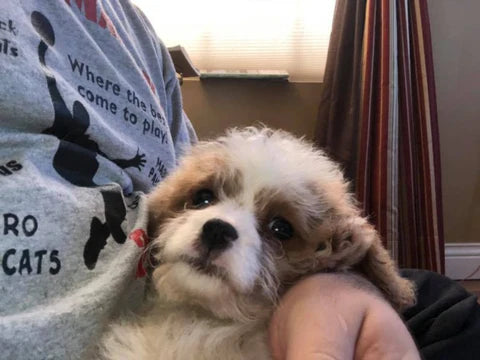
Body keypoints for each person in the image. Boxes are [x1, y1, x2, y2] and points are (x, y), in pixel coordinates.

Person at [1, 1, 478, 359]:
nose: (219, 223)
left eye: (279, 229)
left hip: (277, 318)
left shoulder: (131, 29)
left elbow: (174, 174)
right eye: (205, 198)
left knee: (450, 310)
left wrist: (338, 289)